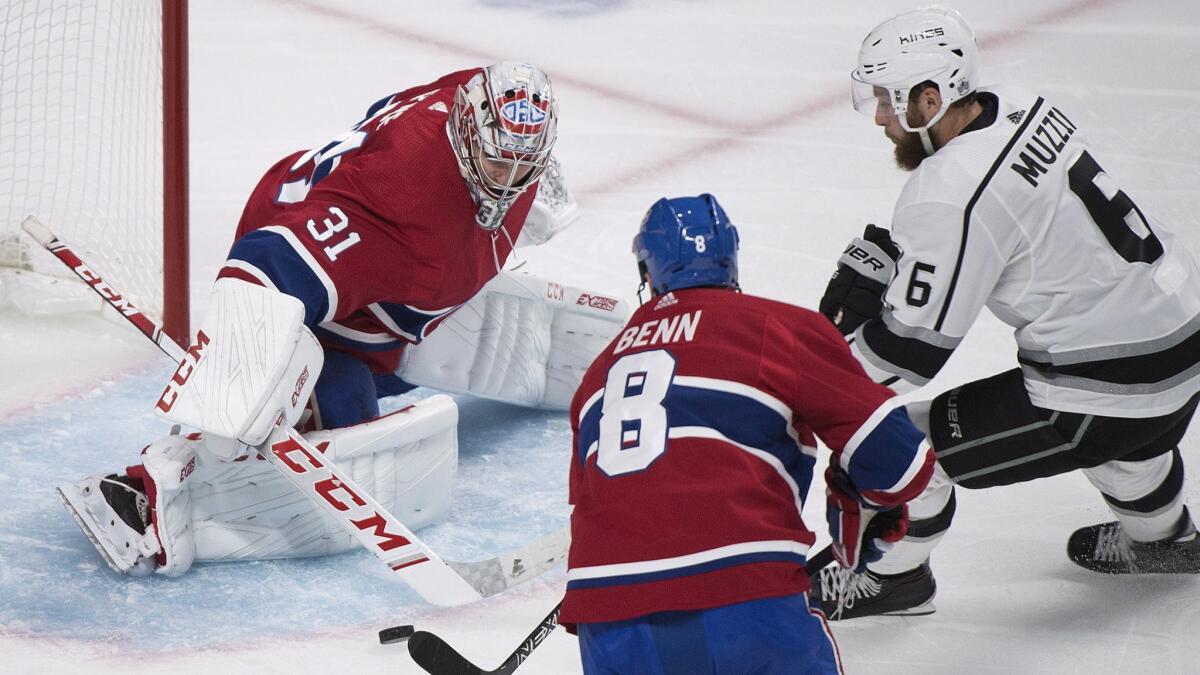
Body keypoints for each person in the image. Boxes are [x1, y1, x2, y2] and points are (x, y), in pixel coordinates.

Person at [57, 62, 626, 577]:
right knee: (339, 403)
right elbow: (266, 263)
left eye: (526, 162)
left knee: (409, 307)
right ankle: (151, 494)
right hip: (318, 275)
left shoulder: (483, 103)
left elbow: (504, 137)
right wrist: (233, 389)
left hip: (384, 275)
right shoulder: (398, 198)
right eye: (499, 159)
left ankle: (397, 333)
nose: (508, 179)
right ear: (467, 128)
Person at [813, 6, 1200, 620]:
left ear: (932, 98)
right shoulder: (1017, 101)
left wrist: (815, 370)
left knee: (905, 442)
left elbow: (909, 357)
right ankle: (1165, 541)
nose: (882, 118)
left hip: (1114, 382)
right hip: (1181, 337)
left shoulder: (948, 191)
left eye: (890, 101)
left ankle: (892, 580)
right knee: (1128, 438)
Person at [561, 194, 935, 673]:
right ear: (731, 259)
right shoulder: (774, 325)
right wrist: (861, 496)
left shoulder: (600, 371)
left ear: (646, 270)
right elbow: (901, 467)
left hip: (606, 608)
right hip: (740, 589)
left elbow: (597, 502)